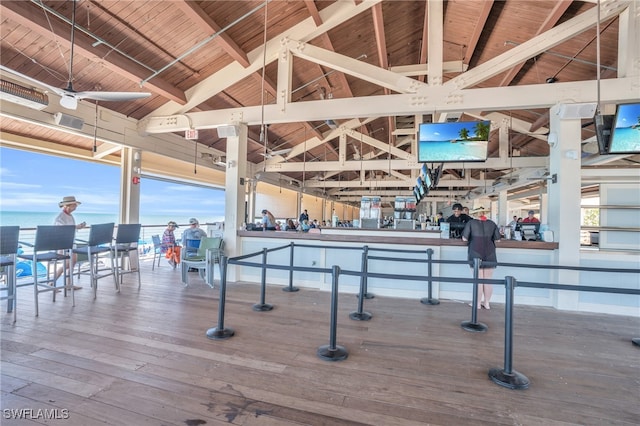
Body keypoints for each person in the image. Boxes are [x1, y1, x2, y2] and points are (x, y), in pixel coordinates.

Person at [462, 209, 501, 310]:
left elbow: (465, 238)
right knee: (487, 280)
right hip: (490, 253)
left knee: (478, 280)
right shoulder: (492, 224)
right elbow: (498, 239)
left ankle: (477, 303)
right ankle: (487, 303)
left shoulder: (471, 223)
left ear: (474, 214)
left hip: (475, 252)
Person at [54, 196, 87, 290]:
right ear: (68, 206)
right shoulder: (60, 217)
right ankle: (52, 282)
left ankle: (69, 284)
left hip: (71, 242)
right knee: (68, 264)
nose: (75, 208)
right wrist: (76, 227)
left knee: (73, 263)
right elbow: (61, 230)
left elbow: (70, 228)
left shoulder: (70, 216)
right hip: (63, 243)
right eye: (74, 206)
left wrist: (77, 227)